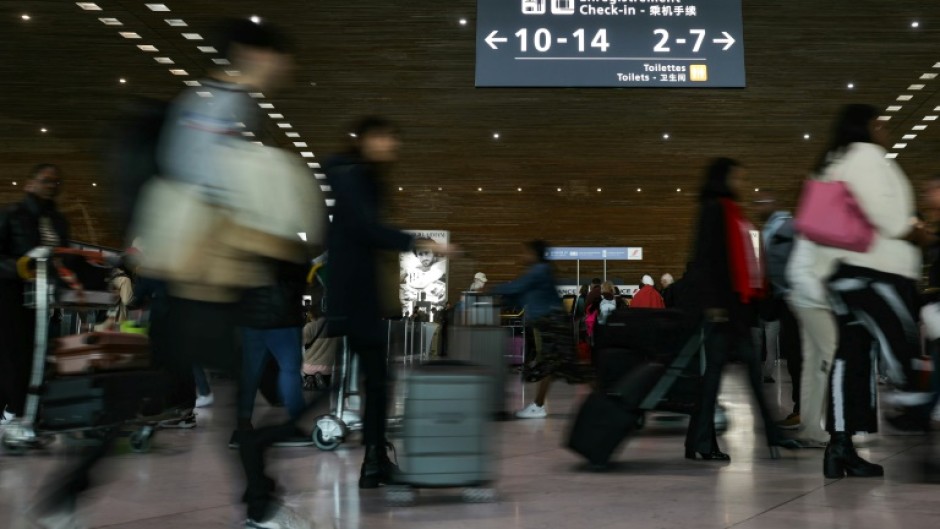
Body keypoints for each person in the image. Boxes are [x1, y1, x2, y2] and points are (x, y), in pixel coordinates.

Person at [324, 116, 453, 489]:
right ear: (365, 140)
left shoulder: (359, 177)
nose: (392, 146)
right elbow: (367, 230)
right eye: (385, 139)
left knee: (377, 380)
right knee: (377, 380)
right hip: (354, 296)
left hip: (357, 293)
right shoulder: (353, 177)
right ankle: (374, 460)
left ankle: (374, 460)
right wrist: (423, 243)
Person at [810, 104, 932, 478]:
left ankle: (840, 446)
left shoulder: (836, 161)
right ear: (866, 126)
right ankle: (923, 444)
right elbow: (887, 215)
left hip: (844, 275)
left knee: (852, 359)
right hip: (875, 272)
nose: (886, 128)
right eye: (881, 122)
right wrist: (916, 229)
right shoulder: (867, 156)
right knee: (905, 349)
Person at [684, 157, 792, 461]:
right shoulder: (715, 209)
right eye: (738, 177)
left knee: (732, 376)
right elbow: (704, 259)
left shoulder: (729, 210)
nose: (742, 183)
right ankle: (708, 441)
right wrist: (714, 305)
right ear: (724, 178)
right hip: (724, 310)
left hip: (736, 309)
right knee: (718, 377)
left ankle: (705, 440)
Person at [0, 164, 69, 424]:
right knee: (13, 352)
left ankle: (27, 407)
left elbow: (62, 258)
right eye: (46, 180)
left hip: (41, 296)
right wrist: (23, 267)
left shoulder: (59, 221)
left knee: (36, 351)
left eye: (56, 182)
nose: (52, 186)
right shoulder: (11, 214)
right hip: (9, 292)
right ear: (30, 184)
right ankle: (16, 408)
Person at [490, 240, 588, 419]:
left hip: (553, 323)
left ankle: (608, 399)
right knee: (551, 365)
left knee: (567, 366)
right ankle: (538, 405)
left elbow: (516, 287)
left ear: (535, 254)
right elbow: (519, 297)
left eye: (525, 252)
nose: (522, 256)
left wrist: (492, 289)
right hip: (550, 324)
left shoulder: (540, 270)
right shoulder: (538, 273)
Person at [233, 260, 313, 448]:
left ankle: (242, 427)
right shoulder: (285, 245)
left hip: (251, 316)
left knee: (249, 373)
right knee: (290, 370)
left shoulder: (248, 242)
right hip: (283, 317)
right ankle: (295, 424)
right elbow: (302, 273)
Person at [753, 189, 802, 428]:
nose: (757, 207)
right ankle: (801, 409)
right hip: (787, 301)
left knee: (797, 357)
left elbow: (779, 268)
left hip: (792, 300)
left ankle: (803, 410)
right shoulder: (776, 227)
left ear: (772, 202)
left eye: (761, 202)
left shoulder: (783, 227)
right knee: (795, 356)